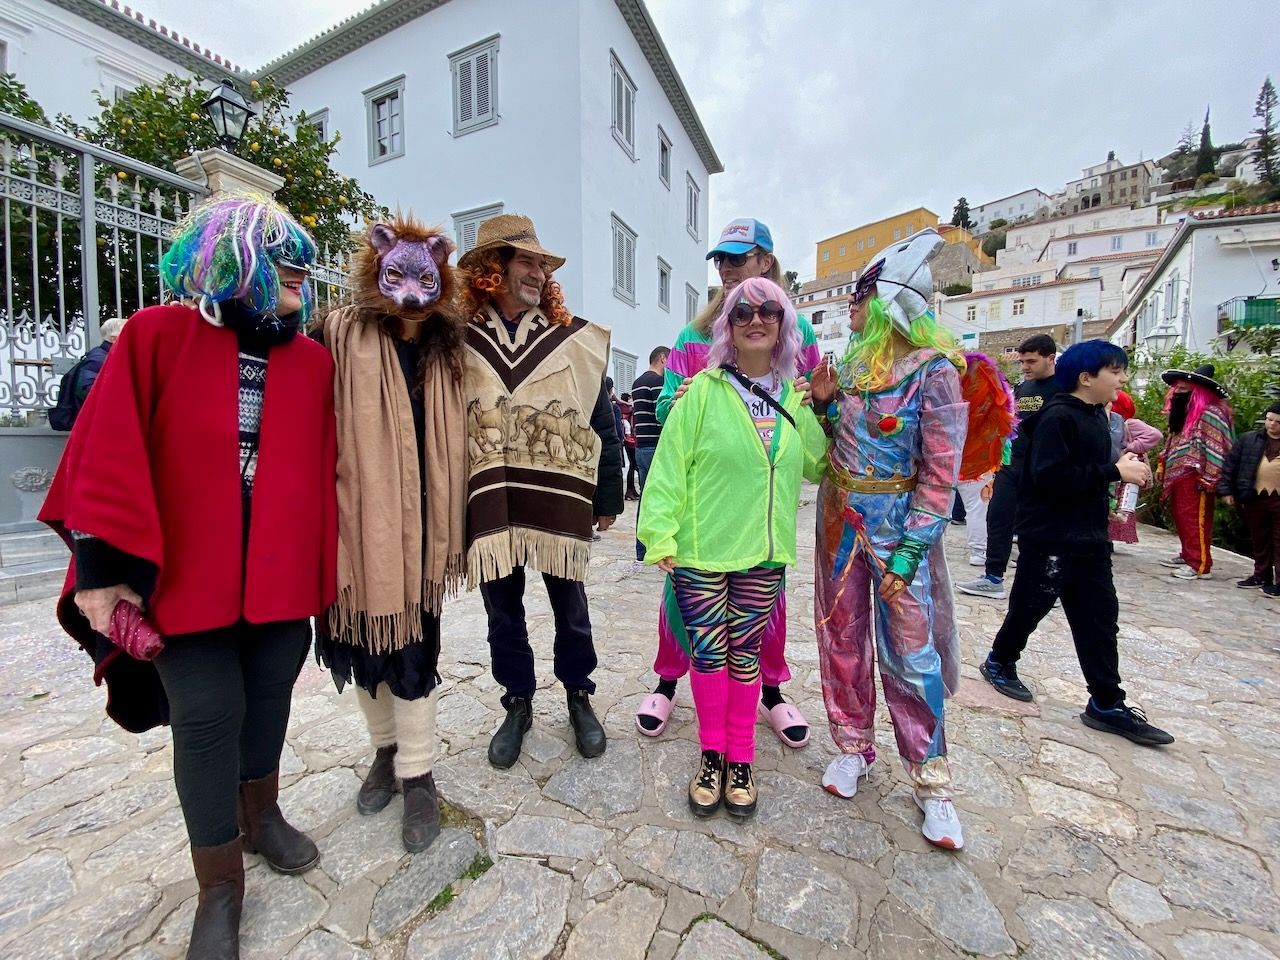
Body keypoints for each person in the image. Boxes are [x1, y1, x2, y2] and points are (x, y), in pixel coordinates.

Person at [39, 193, 338, 959]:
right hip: (185, 582)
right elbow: (104, 452)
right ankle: (219, 887)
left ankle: (261, 815)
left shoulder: (311, 361)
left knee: (271, 688)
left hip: (276, 581)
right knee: (206, 715)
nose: (302, 271)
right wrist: (105, 576)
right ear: (236, 261)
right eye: (284, 257)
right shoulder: (155, 335)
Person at [809, 229, 988, 850]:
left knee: (912, 652)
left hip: (897, 531)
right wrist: (827, 410)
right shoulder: (851, 368)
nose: (849, 309)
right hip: (838, 523)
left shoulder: (935, 374)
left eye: (859, 296)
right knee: (842, 637)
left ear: (886, 301)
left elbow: (940, 475)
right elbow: (840, 447)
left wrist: (912, 550)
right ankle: (854, 746)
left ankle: (931, 778)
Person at [638, 276, 828, 819]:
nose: (756, 319)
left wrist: (824, 408)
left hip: (764, 552)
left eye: (769, 310)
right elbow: (669, 467)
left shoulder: (794, 396)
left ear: (784, 323)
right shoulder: (701, 391)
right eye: (742, 312)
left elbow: (816, 464)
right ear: (728, 325)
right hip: (702, 548)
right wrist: (660, 534)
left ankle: (740, 758)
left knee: (745, 657)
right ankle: (711, 755)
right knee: (708, 653)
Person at [316, 216, 468, 854]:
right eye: (397, 276)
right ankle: (385, 752)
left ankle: (419, 774)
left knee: (415, 651)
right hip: (356, 519)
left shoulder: (451, 346)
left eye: (423, 279)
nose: (409, 291)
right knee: (360, 646)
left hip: (425, 524)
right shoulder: (338, 332)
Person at [457, 214, 622, 769]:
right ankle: (518, 700)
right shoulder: (457, 344)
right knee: (501, 610)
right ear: (490, 271)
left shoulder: (571, 342)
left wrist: (607, 496)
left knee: (569, 604)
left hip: (559, 498)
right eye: (524, 261)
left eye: (541, 265)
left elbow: (602, 422)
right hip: (491, 500)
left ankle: (579, 693)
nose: (536, 272)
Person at [979, 340, 1174, 747]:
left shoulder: (1096, 416)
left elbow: (1088, 472)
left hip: (1088, 538)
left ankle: (1106, 702)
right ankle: (999, 661)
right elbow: (1048, 477)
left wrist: (1117, 479)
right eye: (1115, 372)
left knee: (1100, 619)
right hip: (1050, 536)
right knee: (1030, 608)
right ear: (1086, 378)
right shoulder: (1058, 417)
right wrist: (1112, 470)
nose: (1121, 379)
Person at [957, 334, 1062, 600]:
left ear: (1050, 358)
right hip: (1011, 465)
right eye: (1022, 361)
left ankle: (1050, 585)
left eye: (1031, 361)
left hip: (1043, 470)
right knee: (998, 519)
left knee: (1040, 530)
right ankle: (993, 577)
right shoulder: (1023, 388)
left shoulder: (1062, 388)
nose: (1025, 367)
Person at [1156, 364, 1234, 580]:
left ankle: (1198, 564)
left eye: (1183, 388)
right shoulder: (1183, 413)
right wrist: (1163, 463)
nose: (1178, 391)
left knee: (1195, 518)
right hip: (1179, 474)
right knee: (1182, 516)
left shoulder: (1211, 414)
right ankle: (1188, 554)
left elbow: (1217, 447)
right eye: (1177, 388)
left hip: (1197, 475)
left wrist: (1210, 477)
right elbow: (1174, 441)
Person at [1218, 401, 1280, 597]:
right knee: (1259, 538)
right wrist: (1227, 491)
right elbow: (1230, 465)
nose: (1272, 424)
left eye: (1277, 422)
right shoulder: (1250, 440)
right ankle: (1261, 575)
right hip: (1255, 497)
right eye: (1269, 420)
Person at [48, 316, 128, 431]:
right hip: (97, 425)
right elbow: (89, 390)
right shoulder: (100, 359)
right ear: (114, 339)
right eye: (127, 334)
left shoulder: (106, 356)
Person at [1106, 390, 1162, 546]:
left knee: (1120, 503)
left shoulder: (1128, 423)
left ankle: (1110, 540)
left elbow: (1155, 435)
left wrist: (1130, 447)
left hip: (1124, 472)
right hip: (1115, 470)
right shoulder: (1108, 421)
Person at [630, 346, 668, 557]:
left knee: (645, 498)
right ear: (662, 358)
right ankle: (656, 548)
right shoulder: (658, 382)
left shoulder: (637, 383)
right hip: (655, 446)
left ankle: (641, 549)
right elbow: (661, 414)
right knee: (660, 498)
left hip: (641, 446)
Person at [619, 391, 640, 500]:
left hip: (629, 441)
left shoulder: (626, 412)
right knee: (633, 465)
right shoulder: (628, 411)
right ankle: (629, 491)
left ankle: (632, 490)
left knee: (633, 465)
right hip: (630, 442)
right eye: (630, 399)